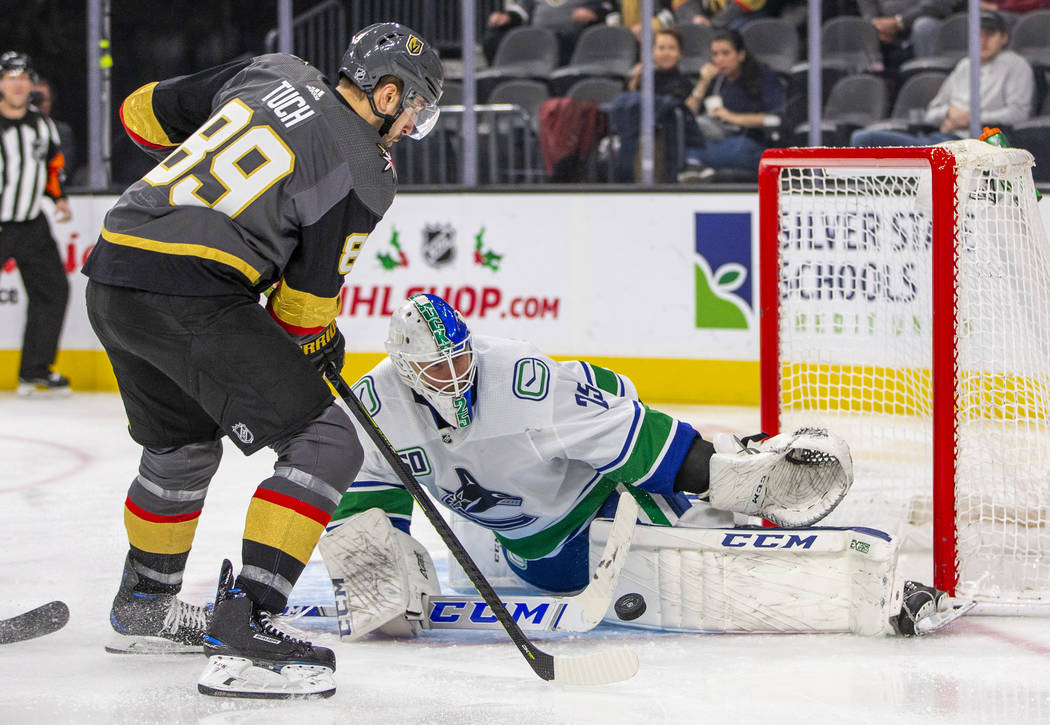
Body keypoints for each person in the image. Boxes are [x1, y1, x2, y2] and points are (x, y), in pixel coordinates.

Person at [81, 23, 443, 699]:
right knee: (329, 441)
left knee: (181, 447)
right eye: (414, 109)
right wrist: (319, 342)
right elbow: (299, 313)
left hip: (115, 268)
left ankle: (145, 603)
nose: (409, 126)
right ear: (386, 94)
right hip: (193, 291)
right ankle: (247, 625)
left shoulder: (273, 68)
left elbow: (139, 115)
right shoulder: (365, 167)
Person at [319, 294, 952, 639]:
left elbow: (642, 441)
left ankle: (739, 492)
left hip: (596, 505)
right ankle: (714, 498)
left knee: (684, 548)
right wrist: (379, 566)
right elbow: (367, 493)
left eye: (461, 360)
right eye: (437, 370)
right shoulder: (376, 407)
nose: (455, 377)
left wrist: (721, 471)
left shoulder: (518, 382)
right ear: (404, 371)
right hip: (513, 542)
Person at [851, 10, 1033, 148]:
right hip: (942, 142)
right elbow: (932, 112)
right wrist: (949, 114)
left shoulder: (1016, 65)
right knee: (863, 138)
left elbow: (1018, 113)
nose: (983, 41)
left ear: (1004, 37)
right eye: (978, 34)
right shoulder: (965, 65)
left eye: (990, 34)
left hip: (981, 146)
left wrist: (971, 118)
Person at [0, 52, 72, 397]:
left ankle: (34, 370)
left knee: (53, 291)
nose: (17, 83)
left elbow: (52, 166)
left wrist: (58, 198)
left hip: (31, 222)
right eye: (10, 77)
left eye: (23, 77)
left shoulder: (41, 124)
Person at [677, 29, 784, 182]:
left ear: (741, 54)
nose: (719, 60)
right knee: (684, 146)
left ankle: (698, 166)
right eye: (715, 54)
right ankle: (700, 168)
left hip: (750, 142)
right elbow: (687, 115)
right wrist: (702, 83)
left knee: (735, 150)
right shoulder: (716, 81)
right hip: (717, 140)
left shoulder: (765, 76)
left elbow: (775, 119)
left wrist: (731, 117)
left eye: (725, 53)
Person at [608, 27, 702, 182]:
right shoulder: (642, 80)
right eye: (661, 48)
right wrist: (635, 80)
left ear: (680, 53)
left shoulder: (683, 83)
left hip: (665, 139)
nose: (666, 53)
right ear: (652, 52)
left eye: (671, 48)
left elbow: (686, 113)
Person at [482, 0, 617, 67]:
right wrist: (507, 17)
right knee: (493, 39)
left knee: (572, 38)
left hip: (575, 37)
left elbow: (610, 9)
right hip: (537, 39)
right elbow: (521, 10)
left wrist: (595, 15)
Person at [856, 0, 956, 68]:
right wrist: (877, 27)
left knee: (925, 25)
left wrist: (899, 22)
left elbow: (934, 4)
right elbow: (869, 14)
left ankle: (928, 81)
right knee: (864, 30)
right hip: (887, 36)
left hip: (928, 30)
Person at [30, 77, 79, 183]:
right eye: (33, 99)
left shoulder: (61, 131)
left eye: (42, 99)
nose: (38, 104)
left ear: (50, 102)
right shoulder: (11, 130)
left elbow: (63, 169)